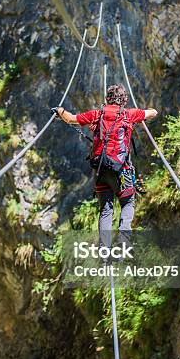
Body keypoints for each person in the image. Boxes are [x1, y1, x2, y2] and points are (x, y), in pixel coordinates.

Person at [55, 84, 157, 245]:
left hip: (101, 171)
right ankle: (124, 242)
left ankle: (104, 251)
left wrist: (60, 111)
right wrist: (145, 113)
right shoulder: (128, 115)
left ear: (107, 99)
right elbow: (153, 112)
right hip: (121, 170)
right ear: (124, 100)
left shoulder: (97, 114)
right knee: (128, 202)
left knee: (106, 210)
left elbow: (71, 118)